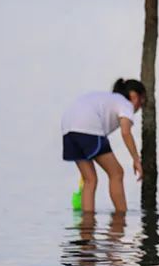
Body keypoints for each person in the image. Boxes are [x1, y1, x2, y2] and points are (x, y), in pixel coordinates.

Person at [61, 79, 145, 213]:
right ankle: (120, 219)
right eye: (141, 103)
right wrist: (136, 159)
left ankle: (87, 227)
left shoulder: (108, 99)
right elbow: (126, 132)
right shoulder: (126, 104)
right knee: (116, 173)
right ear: (134, 96)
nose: (139, 108)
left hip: (67, 128)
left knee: (90, 179)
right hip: (88, 127)